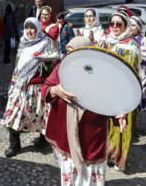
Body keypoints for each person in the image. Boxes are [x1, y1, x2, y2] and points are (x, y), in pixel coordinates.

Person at [40, 37, 128, 186]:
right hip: (65, 134)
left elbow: (112, 101)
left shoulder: (99, 75)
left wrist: (119, 114)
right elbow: (45, 87)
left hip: (91, 136)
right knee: (69, 173)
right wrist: (55, 90)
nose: (71, 56)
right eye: (68, 52)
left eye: (75, 52)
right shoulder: (61, 67)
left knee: (90, 177)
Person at [1, 17, 57, 157]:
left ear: (38, 28)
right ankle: (15, 145)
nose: (29, 31)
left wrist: (48, 62)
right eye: (27, 27)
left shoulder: (47, 43)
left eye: (32, 27)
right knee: (13, 114)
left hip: (38, 87)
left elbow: (52, 70)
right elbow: (17, 64)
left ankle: (43, 140)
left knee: (41, 115)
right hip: (20, 85)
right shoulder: (23, 43)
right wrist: (12, 84)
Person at [99, 11, 141, 172]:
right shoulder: (109, 41)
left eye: (119, 24)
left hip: (125, 91)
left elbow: (128, 74)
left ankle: (120, 160)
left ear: (125, 26)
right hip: (108, 90)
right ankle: (110, 154)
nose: (115, 27)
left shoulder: (131, 46)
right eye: (112, 24)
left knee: (124, 127)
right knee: (110, 124)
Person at [130, 16, 146, 111]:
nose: (130, 27)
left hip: (142, 74)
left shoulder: (144, 40)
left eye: (133, 25)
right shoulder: (125, 39)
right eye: (129, 25)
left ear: (138, 27)